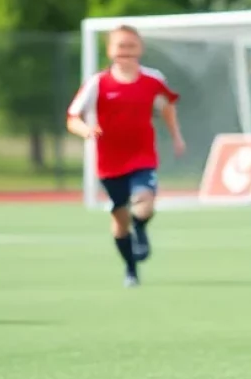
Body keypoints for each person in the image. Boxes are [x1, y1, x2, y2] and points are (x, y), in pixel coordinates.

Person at [67, 25, 185, 288]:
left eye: (131, 46)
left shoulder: (153, 79)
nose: (126, 52)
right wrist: (85, 130)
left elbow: (167, 107)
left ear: (140, 48)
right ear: (110, 50)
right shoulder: (98, 83)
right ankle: (131, 268)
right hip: (110, 163)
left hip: (143, 157)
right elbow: (73, 117)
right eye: (121, 46)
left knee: (145, 203)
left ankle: (141, 229)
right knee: (120, 221)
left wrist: (176, 135)